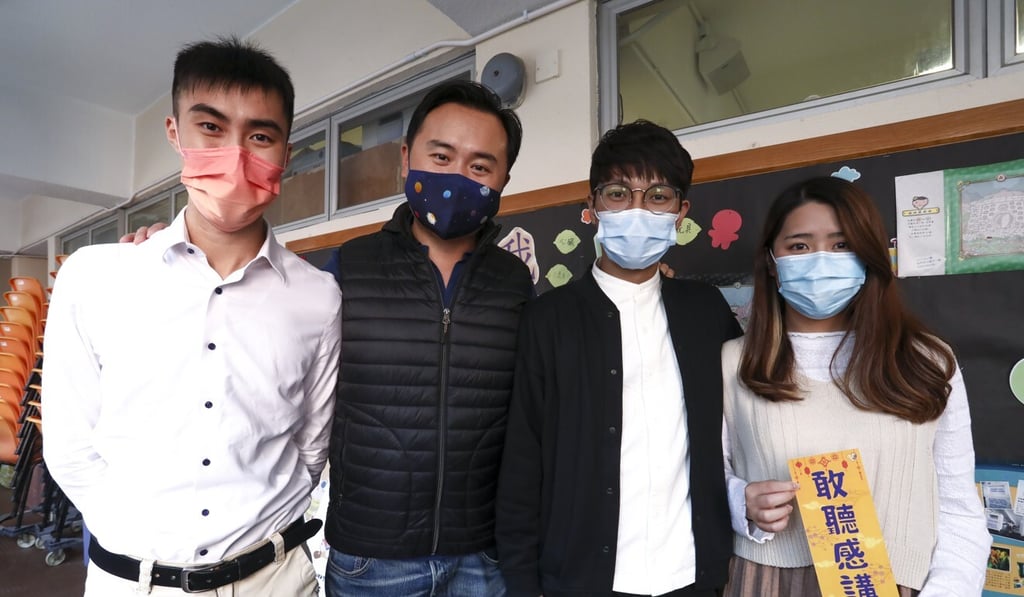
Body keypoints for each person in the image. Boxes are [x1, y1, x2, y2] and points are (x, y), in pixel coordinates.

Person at [43, 37, 341, 596]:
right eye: (210, 127)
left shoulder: (317, 297)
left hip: (272, 579)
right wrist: (139, 544)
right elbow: (70, 445)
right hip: (134, 581)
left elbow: (311, 443)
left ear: (285, 152)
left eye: (259, 135)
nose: (235, 154)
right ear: (174, 133)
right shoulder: (96, 276)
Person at [497, 120, 743, 597]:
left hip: (692, 575)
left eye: (657, 197)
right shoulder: (549, 319)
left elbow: (739, 430)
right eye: (617, 194)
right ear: (592, 206)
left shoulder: (705, 312)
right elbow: (522, 466)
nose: (637, 210)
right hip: (582, 580)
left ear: (680, 211)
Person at [721, 176, 991, 596]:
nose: (820, 260)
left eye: (842, 245)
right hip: (769, 582)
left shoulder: (928, 362)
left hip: (901, 585)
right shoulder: (732, 363)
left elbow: (959, 505)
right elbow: (704, 477)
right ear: (772, 261)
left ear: (868, 256)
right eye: (799, 246)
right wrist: (742, 502)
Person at [320, 80, 535, 596]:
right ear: (405, 157)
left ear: (503, 178)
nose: (457, 177)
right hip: (371, 558)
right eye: (441, 156)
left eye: (480, 166)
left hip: (484, 555)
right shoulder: (348, 266)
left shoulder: (514, 280)